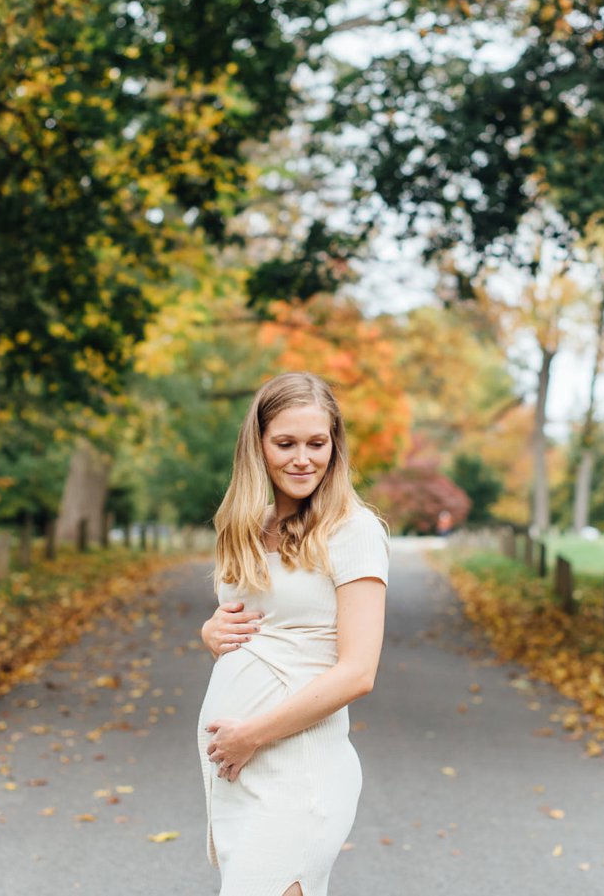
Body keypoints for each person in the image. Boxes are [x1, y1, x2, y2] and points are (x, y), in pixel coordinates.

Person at [197, 371, 390, 896]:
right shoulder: (244, 526)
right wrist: (214, 632)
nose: (303, 458)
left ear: (335, 445)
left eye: (316, 443)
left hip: (298, 767)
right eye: (285, 443)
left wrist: (251, 734)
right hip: (242, 776)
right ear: (257, 446)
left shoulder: (353, 531)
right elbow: (262, 625)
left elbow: (357, 673)